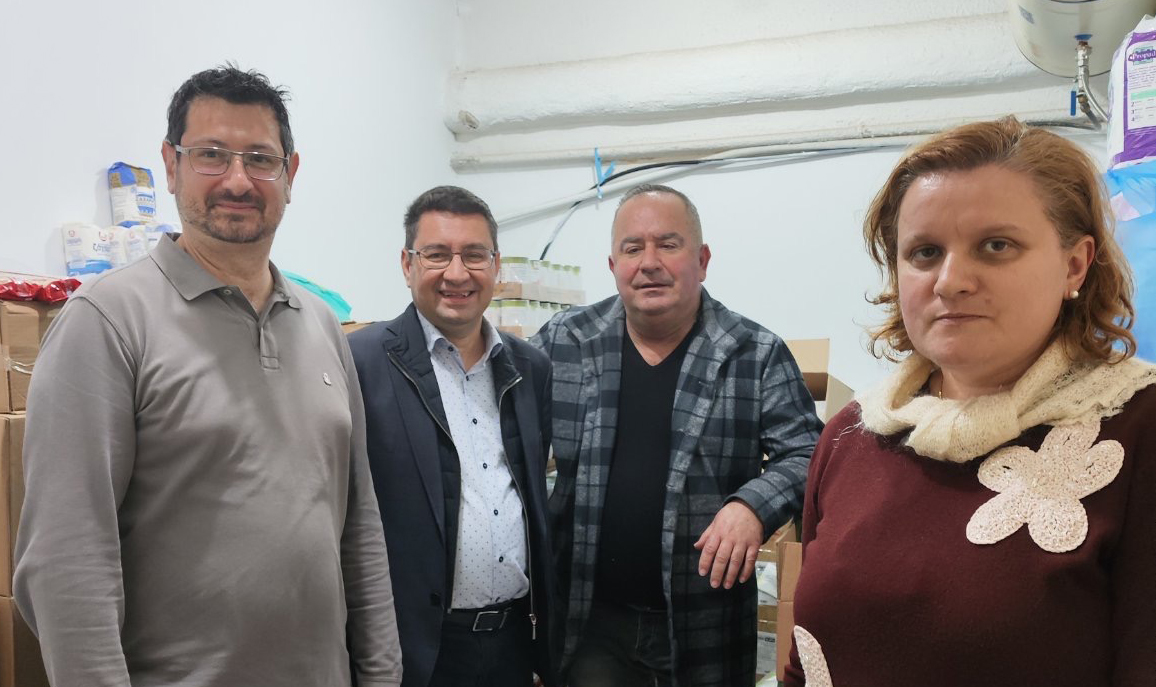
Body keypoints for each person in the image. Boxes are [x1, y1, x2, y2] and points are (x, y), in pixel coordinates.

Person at [12, 66, 403, 687]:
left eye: (260, 159)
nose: (238, 180)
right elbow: (67, 557)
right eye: (211, 155)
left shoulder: (323, 326)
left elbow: (359, 526)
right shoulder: (107, 321)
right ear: (171, 166)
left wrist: (382, 675)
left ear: (291, 174)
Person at [785, 117, 1156, 687]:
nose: (950, 280)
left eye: (996, 245)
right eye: (925, 252)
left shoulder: (1140, 426)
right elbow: (803, 662)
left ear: (1074, 265)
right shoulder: (852, 435)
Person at [531, 184, 823, 686]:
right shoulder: (565, 341)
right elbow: (506, 437)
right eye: (632, 248)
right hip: (589, 622)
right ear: (613, 265)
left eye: (668, 244)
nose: (649, 263)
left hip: (704, 622)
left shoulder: (754, 352)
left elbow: (808, 453)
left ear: (702, 260)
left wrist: (752, 506)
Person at [347, 186, 555, 687]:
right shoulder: (362, 361)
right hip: (415, 650)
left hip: (511, 644)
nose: (457, 273)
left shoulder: (530, 367)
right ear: (408, 264)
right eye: (437, 254)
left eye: (474, 255)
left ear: (496, 266)